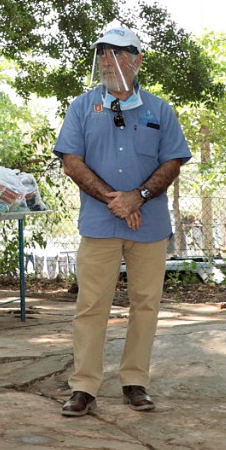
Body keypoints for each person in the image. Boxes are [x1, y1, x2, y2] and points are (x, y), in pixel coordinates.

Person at [54, 26, 191, 417]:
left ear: (137, 60)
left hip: (148, 225)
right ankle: (83, 387)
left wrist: (138, 197)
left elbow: (172, 162)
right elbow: (71, 162)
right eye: (102, 54)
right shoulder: (81, 106)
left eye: (117, 54)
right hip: (99, 223)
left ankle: (135, 382)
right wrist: (114, 201)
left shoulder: (159, 110)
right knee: (91, 304)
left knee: (145, 304)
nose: (107, 61)